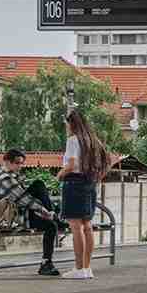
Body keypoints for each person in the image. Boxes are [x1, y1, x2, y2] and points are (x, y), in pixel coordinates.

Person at [58, 109, 111, 279]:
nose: (66, 127)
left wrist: (59, 175)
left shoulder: (73, 140)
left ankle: (79, 268)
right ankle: (87, 268)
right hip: (90, 183)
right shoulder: (93, 141)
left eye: (67, 124)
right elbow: (106, 161)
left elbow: (72, 165)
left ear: (71, 124)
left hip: (74, 183)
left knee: (76, 227)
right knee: (87, 227)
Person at [0, 149, 61, 276]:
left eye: (22, 163)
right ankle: (46, 264)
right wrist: (44, 211)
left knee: (38, 186)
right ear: (7, 161)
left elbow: (25, 197)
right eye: (17, 163)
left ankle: (54, 217)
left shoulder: (9, 175)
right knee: (51, 225)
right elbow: (23, 199)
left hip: (20, 213)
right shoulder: (5, 178)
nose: (20, 166)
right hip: (13, 218)